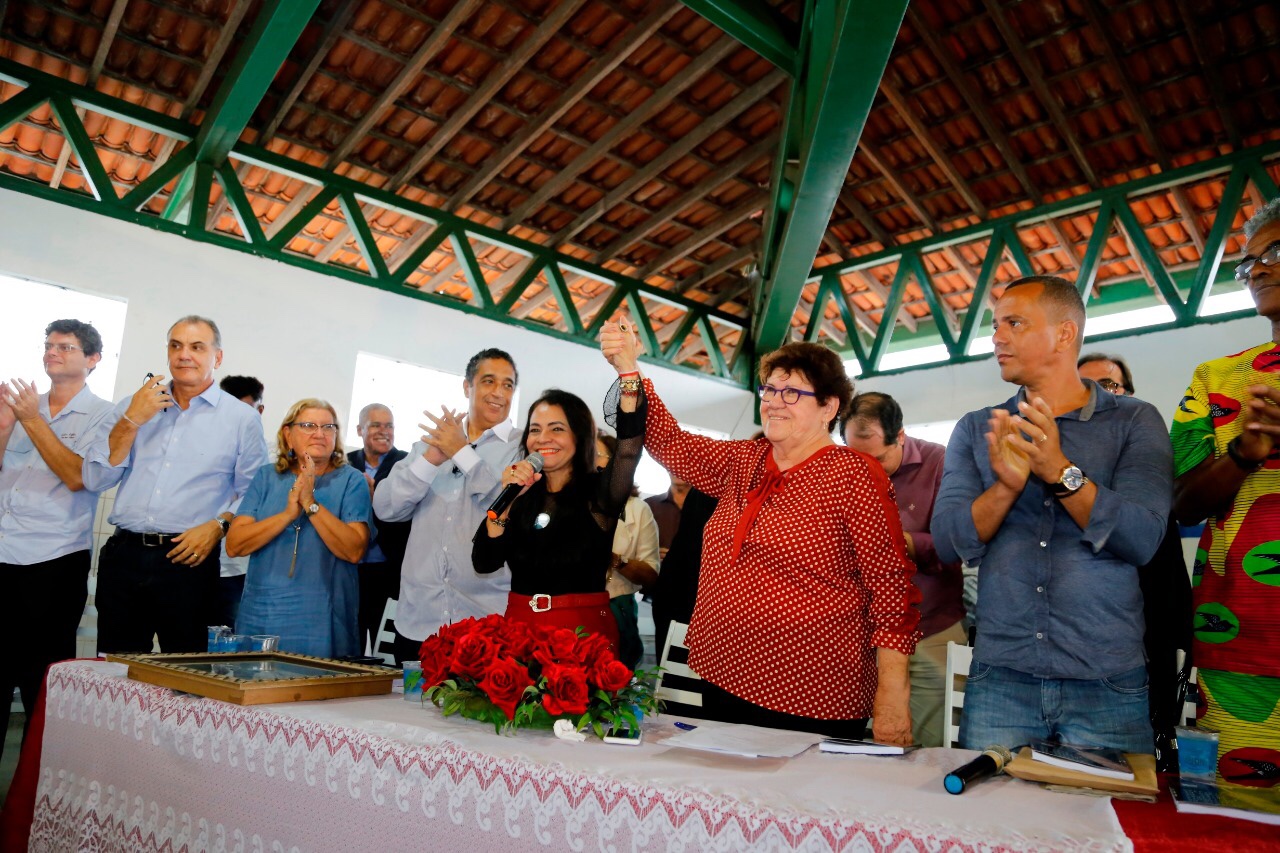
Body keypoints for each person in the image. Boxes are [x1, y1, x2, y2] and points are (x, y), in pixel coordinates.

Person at [636, 336, 920, 741]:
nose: (773, 401)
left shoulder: (854, 475)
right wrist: (631, 370)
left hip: (813, 692)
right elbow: (671, 444)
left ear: (829, 406)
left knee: (803, 802)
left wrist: (893, 694)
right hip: (724, 670)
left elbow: (889, 587)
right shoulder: (744, 460)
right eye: (769, 388)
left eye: (791, 391)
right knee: (729, 799)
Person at [932, 275, 1171, 753]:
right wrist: (1005, 486)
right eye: (995, 325)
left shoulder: (1134, 421)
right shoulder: (978, 428)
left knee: (1108, 824)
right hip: (1002, 679)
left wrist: (1060, 471)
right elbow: (947, 542)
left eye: (1014, 323)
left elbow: (1143, 539)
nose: (997, 338)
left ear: (1065, 334)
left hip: (1106, 681)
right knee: (991, 828)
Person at [1170, 198, 1280, 773]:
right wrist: (1244, 453)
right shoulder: (1218, 379)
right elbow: (1180, 504)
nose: (1258, 270)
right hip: (1239, 640)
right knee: (1243, 818)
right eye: (1248, 263)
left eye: (1275, 253)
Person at [84, 316, 268, 653]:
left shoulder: (241, 419)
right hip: (124, 555)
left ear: (218, 357)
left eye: (197, 347)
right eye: (176, 345)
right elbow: (97, 478)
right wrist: (131, 421)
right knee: (115, 672)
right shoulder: (134, 405)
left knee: (184, 675)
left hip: (190, 560)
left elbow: (254, 495)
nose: (184, 354)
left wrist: (219, 525)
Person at [0, 320, 114, 759]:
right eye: (48, 345)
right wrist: (7, 425)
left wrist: (31, 420)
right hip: (4, 553)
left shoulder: (104, 414)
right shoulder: (24, 404)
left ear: (92, 359)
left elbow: (77, 477)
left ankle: (30, 797)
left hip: (51, 560)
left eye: (65, 346)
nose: (52, 352)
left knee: (40, 682)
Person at [1075, 354, 1192, 769]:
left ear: (1128, 393)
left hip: (1145, 635)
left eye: (1110, 385)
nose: (1098, 396)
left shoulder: (1146, 451)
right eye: (1084, 386)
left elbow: (1162, 560)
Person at [472, 363, 642, 648]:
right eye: (535, 429)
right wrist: (505, 506)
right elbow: (484, 562)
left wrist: (628, 375)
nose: (543, 438)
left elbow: (628, 448)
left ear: (579, 437)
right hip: (520, 630)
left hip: (581, 635)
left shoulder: (599, 493)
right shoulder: (520, 495)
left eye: (557, 428)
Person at [373, 349, 523, 663]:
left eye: (508, 385)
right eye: (488, 381)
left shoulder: (521, 449)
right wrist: (431, 460)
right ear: (467, 387)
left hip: (485, 619)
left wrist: (462, 452)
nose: (498, 392)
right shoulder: (428, 444)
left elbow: (504, 505)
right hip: (419, 618)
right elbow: (387, 508)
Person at [842, 392, 964, 748]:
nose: (868, 472)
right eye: (857, 459)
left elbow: (956, 546)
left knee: (930, 748)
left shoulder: (941, 463)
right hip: (861, 632)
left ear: (900, 436)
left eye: (878, 460)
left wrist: (900, 542)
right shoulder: (842, 470)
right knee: (857, 748)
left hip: (930, 628)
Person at [228, 399, 372, 658]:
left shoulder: (351, 480)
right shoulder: (267, 477)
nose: (319, 433)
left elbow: (354, 550)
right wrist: (288, 514)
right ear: (288, 434)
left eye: (328, 427)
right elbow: (235, 544)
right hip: (261, 614)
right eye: (308, 425)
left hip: (323, 618)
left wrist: (310, 504)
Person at [348, 403, 410, 654]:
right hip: (350, 566)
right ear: (360, 429)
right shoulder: (345, 463)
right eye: (376, 425)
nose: (384, 431)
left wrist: (377, 501)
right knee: (351, 634)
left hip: (390, 566)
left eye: (389, 425)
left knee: (385, 639)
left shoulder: (406, 464)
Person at [596, 432, 659, 668]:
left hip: (616, 608)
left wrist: (616, 561)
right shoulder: (569, 502)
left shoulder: (637, 509)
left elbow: (651, 573)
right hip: (574, 608)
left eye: (597, 454)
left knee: (614, 679)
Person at [212, 374, 266, 629]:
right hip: (196, 561)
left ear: (260, 410)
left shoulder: (268, 458)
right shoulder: (204, 444)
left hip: (238, 568)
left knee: (230, 644)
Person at [645, 476, 690, 559]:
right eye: (675, 464)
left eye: (681, 464)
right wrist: (651, 555)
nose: (677, 468)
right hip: (657, 569)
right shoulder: (648, 506)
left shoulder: (709, 508)